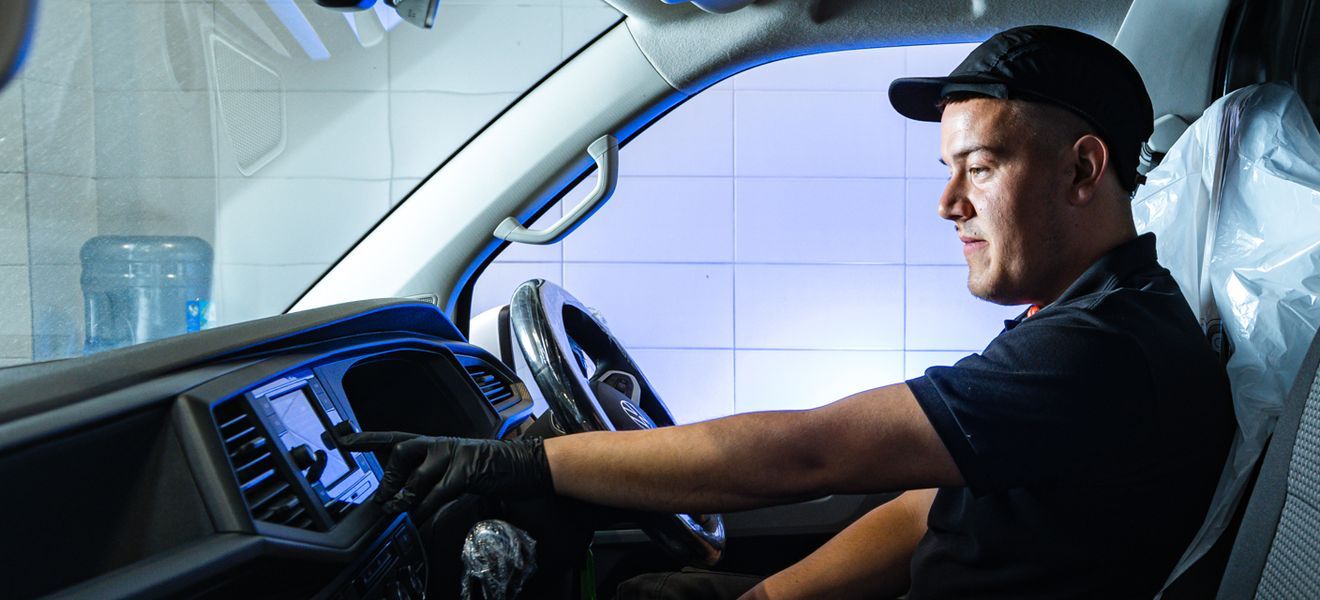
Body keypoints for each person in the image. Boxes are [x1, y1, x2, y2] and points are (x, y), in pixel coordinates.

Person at [343, 25, 1233, 599]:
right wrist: (763, 599)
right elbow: (929, 509)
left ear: (1083, 170)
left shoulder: (1102, 350)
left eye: (982, 167)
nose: (948, 204)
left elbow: (810, 452)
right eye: (947, 171)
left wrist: (525, 464)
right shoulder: (1090, 316)